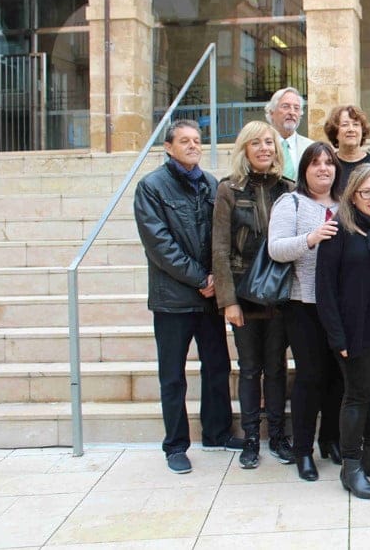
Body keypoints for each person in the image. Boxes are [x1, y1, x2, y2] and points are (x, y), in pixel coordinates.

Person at [133, 119, 240, 474]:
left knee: (217, 367)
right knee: (173, 376)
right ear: (168, 147)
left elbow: (220, 236)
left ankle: (217, 432)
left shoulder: (210, 184)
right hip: (172, 299)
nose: (193, 145)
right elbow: (159, 244)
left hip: (208, 297)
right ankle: (176, 445)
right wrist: (200, 278)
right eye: (185, 141)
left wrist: (216, 279)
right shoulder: (151, 187)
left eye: (197, 140)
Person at [316, 165, 370, 499]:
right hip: (353, 330)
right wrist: (336, 336)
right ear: (353, 194)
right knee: (357, 395)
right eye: (366, 192)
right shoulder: (338, 229)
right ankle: (350, 466)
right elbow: (324, 288)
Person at [211, 121, 294, 469]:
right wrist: (228, 300)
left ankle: (277, 435)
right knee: (249, 369)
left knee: (276, 368)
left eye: (269, 143)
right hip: (244, 293)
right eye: (256, 143)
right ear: (244, 149)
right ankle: (250, 439)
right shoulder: (228, 189)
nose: (264, 149)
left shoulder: (288, 189)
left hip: (278, 295)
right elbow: (219, 248)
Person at [267, 142, 345, 481]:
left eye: (329, 163)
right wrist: (310, 238)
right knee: (311, 377)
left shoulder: (345, 204)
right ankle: (303, 450)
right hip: (303, 304)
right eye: (316, 164)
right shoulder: (292, 202)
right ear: (304, 170)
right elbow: (276, 248)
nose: (324, 168)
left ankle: (331, 439)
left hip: (340, 307)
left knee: (338, 378)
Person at [323, 104, 370, 190]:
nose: (351, 129)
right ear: (335, 132)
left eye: (355, 124)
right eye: (345, 125)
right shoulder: (328, 165)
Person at [265, 86, 313, 182]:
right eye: (286, 107)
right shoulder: (261, 146)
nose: (292, 112)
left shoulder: (310, 147)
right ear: (271, 113)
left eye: (296, 108)